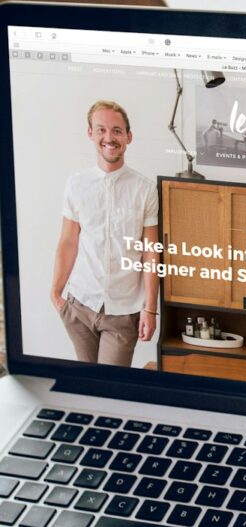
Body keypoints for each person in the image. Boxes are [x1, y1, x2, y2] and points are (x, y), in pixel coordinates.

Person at [50, 100, 159, 367]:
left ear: (128, 137)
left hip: (123, 312)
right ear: (90, 134)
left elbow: (151, 253)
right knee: (87, 387)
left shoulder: (144, 189)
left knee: (112, 388)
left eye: (117, 131)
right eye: (101, 130)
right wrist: (56, 294)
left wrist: (150, 309)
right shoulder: (76, 184)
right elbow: (68, 242)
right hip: (79, 305)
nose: (109, 138)